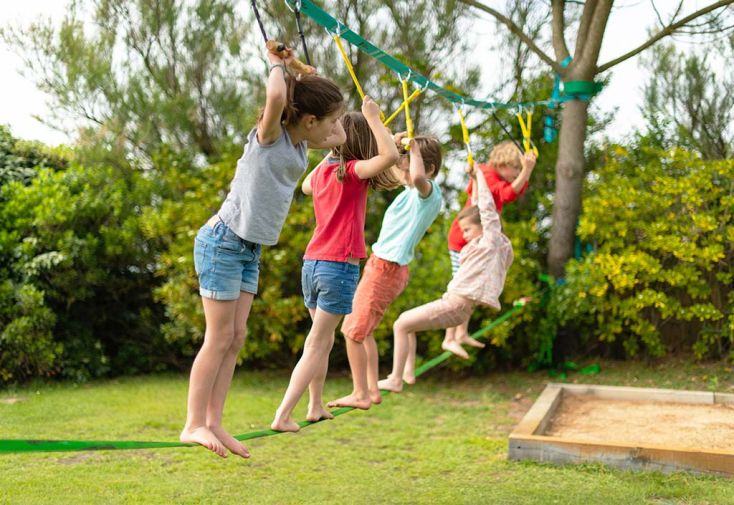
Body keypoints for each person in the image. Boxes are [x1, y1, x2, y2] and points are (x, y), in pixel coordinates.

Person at [180, 45, 347, 458]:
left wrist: (298, 68)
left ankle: (215, 422)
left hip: (248, 249)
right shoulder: (269, 137)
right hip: (223, 241)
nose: (333, 128)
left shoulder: (299, 145)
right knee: (218, 338)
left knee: (235, 338)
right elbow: (276, 97)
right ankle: (193, 424)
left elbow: (336, 132)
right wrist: (277, 64)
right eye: (327, 121)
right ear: (309, 120)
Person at [271, 96, 400, 432]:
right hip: (337, 267)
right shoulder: (353, 172)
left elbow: (305, 185)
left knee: (322, 341)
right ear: (362, 144)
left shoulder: (327, 173)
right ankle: (283, 414)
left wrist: (332, 150)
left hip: (311, 265)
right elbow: (389, 157)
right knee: (317, 344)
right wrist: (374, 118)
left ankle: (314, 405)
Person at [327, 132, 443, 410]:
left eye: (409, 164)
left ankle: (360, 394)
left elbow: (416, 177)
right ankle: (371, 390)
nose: (403, 171)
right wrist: (393, 140)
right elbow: (392, 164)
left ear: (430, 169)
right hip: (380, 266)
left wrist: (414, 150)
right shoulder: (409, 192)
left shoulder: (427, 194)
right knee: (361, 331)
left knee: (353, 332)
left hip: (387, 269)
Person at [377, 161, 514, 392]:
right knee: (406, 325)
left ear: (483, 228)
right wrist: (474, 179)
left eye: (468, 230)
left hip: (456, 304)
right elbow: (480, 206)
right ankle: (406, 373)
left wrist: (480, 174)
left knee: (401, 324)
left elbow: (487, 210)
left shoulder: (489, 241)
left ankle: (395, 379)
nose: (466, 236)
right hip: (457, 306)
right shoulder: (488, 244)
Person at [444, 143, 536, 354]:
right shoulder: (487, 173)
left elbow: (516, 190)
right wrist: (528, 170)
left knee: (472, 288)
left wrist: (525, 171)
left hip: (477, 242)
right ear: (505, 164)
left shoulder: (490, 175)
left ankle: (461, 333)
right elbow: (507, 195)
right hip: (464, 240)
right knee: (460, 288)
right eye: (517, 168)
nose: (517, 174)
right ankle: (449, 337)